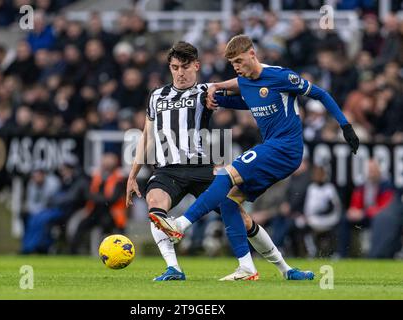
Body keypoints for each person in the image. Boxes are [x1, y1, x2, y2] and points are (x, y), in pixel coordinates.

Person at [150, 35, 359, 280]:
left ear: (252, 54)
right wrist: (216, 96)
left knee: (225, 174)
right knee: (229, 203)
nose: (237, 67)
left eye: (240, 61)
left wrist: (345, 126)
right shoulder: (245, 81)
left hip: (286, 147)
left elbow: (321, 94)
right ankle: (268, 269)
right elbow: (245, 100)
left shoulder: (281, 76)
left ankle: (181, 225)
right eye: (233, 63)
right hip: (273, 149)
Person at [127, 41, 313, 282]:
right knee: (156, 207)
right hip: (167, 171)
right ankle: (174, 269)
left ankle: (286, 269)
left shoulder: (207, 90)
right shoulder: (156, 96)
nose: (180, 73)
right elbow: (147, 136)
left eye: (185, 67)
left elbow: (250, 89)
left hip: (202, 169)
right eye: (175, 67)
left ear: (196, 65)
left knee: (241, 217)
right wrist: (133, 175)